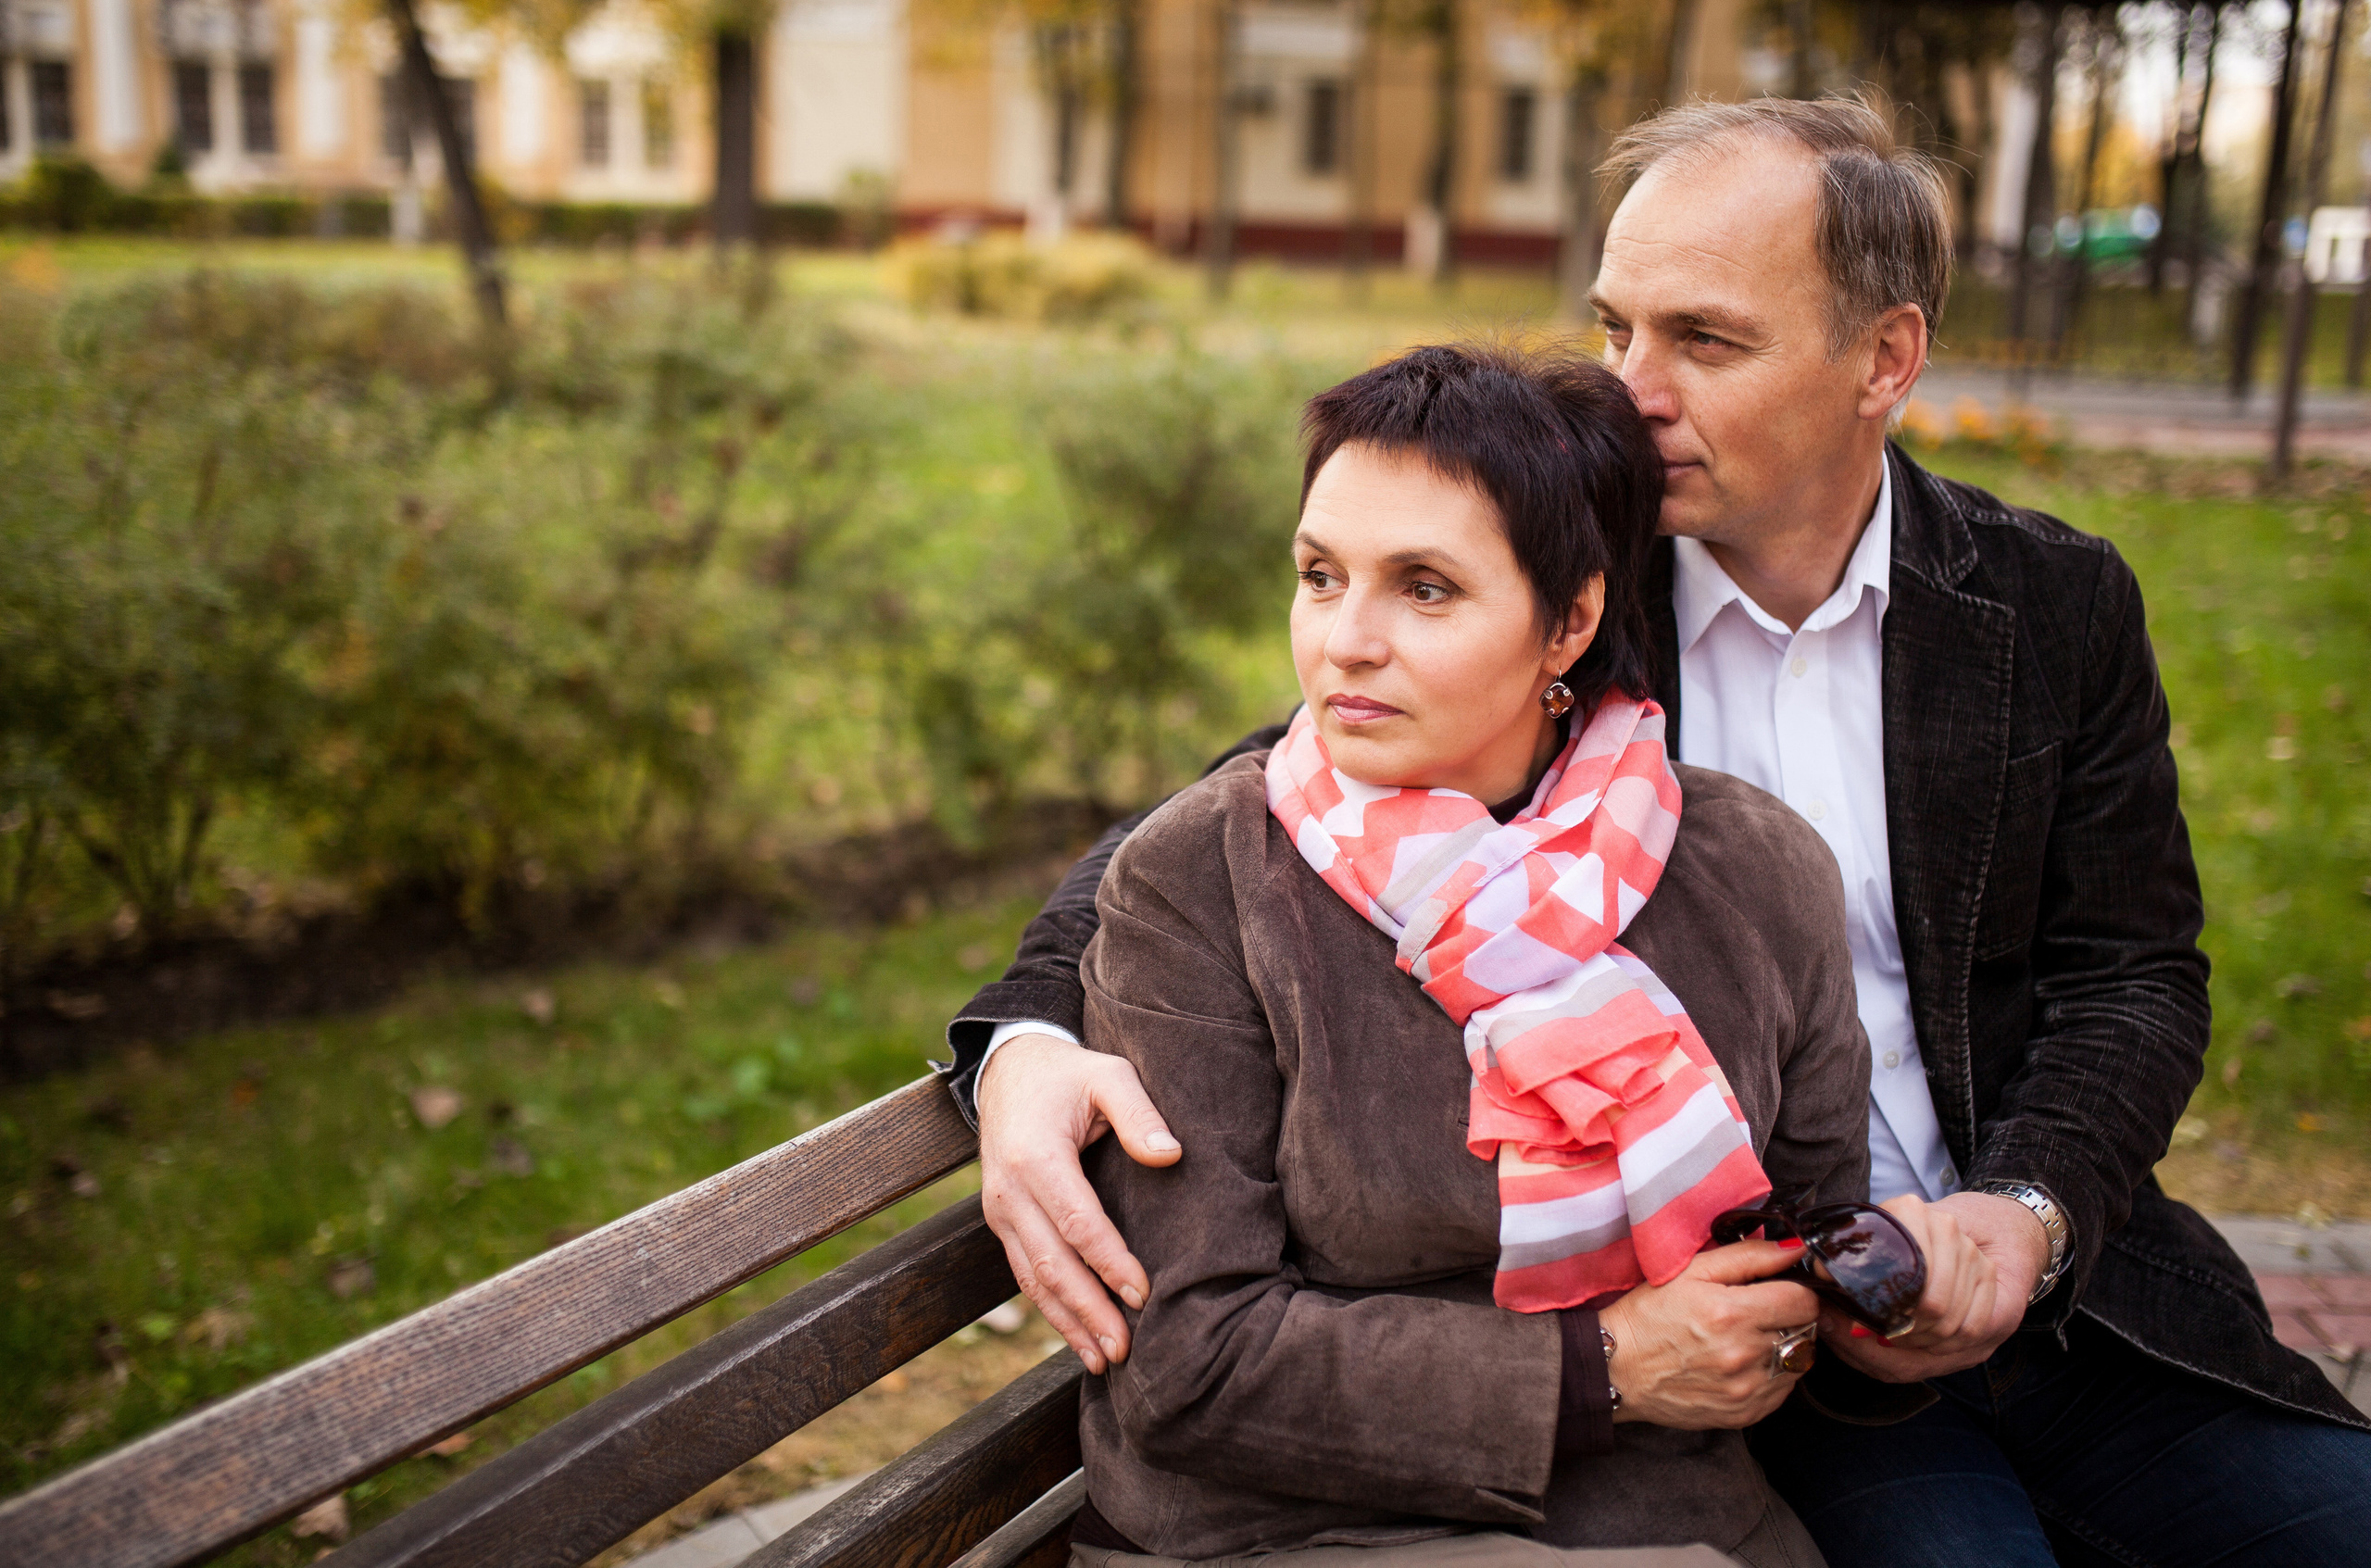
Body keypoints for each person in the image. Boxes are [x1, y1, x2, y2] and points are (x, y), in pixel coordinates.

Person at [945, 97, 2371, 1568]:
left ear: (1884, 358)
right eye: (1617, 328)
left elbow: (2134, 975)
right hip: (1770, 1360)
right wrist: (1026, 1045)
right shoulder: (1562, 601)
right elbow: (1238, 817)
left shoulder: (2048, 605)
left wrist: (2025, 1215)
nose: (1631, 392)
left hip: (2068, 1299)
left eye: (1704, 339)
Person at [1070, 340, 1874, 1567]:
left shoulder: (1755, 873)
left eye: (1425, 589)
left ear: (1571, 621)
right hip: (1291, 1530)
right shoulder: (1203, 881)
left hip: (1674, 1516)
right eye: (1320, 575)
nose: (1347, 639)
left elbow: (1808, 1233)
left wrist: (1869, 1284)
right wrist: (1601, 1367)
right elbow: (1190, 1363)